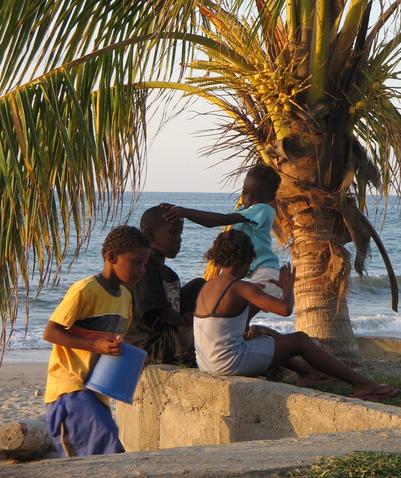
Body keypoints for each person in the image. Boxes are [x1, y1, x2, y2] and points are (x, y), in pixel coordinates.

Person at [193, 229, 398, 401]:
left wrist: (253, 302)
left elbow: (231, 323)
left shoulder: (208, 286)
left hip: (206, 361)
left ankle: (307, 372)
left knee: (260, 333)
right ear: (247, 259)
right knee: (300, 340)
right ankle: (362, 384)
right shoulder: (240, 287)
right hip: (228, 362)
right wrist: (288, 287)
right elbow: (284, 310)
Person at [43, 225, 150, 458]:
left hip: (96, 390)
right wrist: (93, 346)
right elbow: (51, 332)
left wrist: (134, 357)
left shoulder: (125, 298)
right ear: (112, 257)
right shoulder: (84, 290)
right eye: (136, 262)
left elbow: (113, 342)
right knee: (107, 443)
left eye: (145, 264)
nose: (142, 270)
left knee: (100, 453)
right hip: (68, 390)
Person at [161, 163, 282, 298]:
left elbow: (221, 220)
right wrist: (182, 212)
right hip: (254, 272)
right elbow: (210, 223)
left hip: (265, 271)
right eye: (245, 192)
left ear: (270, 198)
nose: (248, 199)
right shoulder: (243, 211)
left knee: (249, 308)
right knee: (242, 311)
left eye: (255, 196)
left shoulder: (262, 210)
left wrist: (186, 212)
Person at [124, 206, 206, 366]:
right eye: (172, 233)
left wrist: (198, 327)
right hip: (151, 345)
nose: (179, 239)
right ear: (149, 234)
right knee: (210, 340)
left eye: (180, 233)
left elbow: (184, 310)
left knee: (200, 285)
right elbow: (164, 312)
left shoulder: (170, 274)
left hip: (170, 335)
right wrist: (196, 332)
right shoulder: (144, 270)